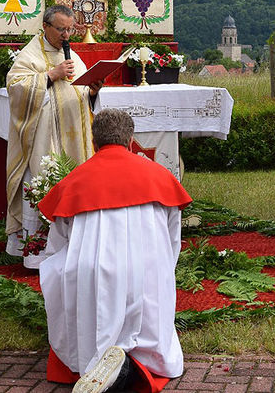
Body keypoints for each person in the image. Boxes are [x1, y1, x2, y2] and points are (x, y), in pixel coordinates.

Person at [38, 109, 192, 393]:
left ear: (94, 142)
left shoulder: (74, 181)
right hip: (147, 272)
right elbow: (172, 238)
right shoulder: (159, 176)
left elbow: (57, 246)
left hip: (92, 277)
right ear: (131, 140)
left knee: (62, 270)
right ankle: (140, 362)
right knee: (153, 274)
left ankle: (99, 362)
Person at [5, 5, 101, 256]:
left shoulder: (71, 54)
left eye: (70, 29)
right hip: (43, 143)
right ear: (46, 27)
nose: (67, 35)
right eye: (61, 29)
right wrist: (49, 76)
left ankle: (73, 248)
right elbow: (15, 87)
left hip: (73, 140)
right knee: (44, 183)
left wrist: (91, 91)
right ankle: (38, 253)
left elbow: (78, 90)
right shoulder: (31, 54)